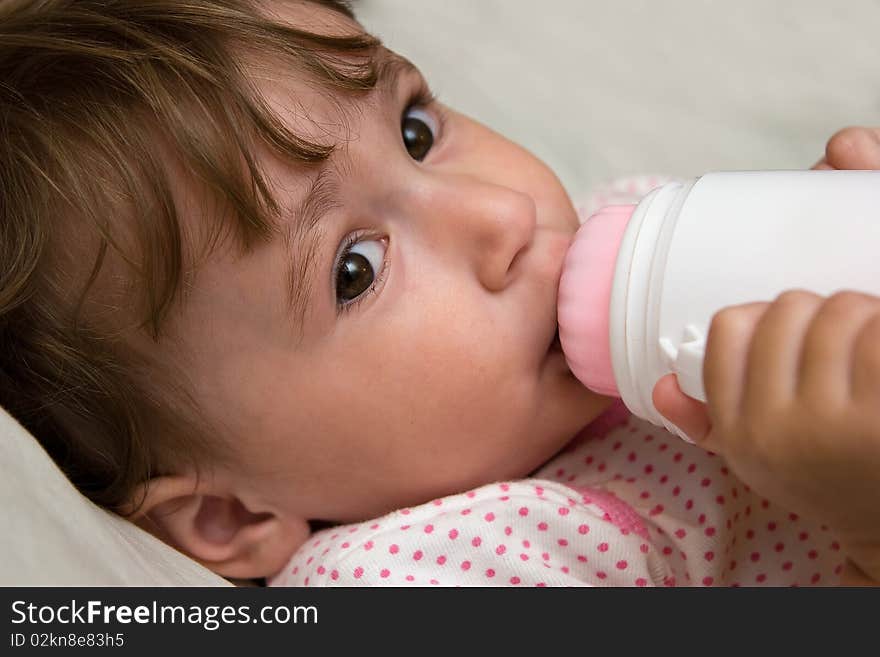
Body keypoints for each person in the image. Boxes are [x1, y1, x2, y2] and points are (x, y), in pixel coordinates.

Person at [0, 0, 877, 586]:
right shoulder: (422, 573)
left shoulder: (616, 228)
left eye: (417, 130)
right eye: (355, 270)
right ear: (229, 515)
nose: (501, 214)